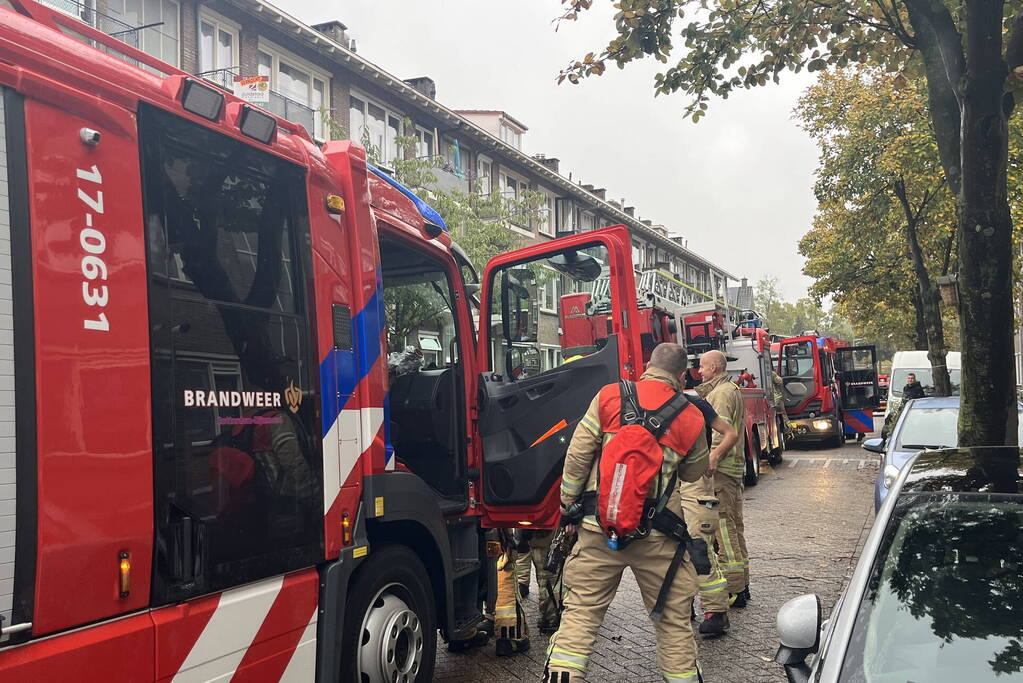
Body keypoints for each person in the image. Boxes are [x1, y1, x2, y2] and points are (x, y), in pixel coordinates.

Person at [545, 343, 710, 683]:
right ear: (682, 376)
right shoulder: (691, 415)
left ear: (647, 366)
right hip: (660, 537)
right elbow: (694, 474)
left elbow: (577, 457)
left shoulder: (608, 397)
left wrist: (568, 506)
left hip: (598, 529)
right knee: (673, 622)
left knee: (580, 616)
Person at [680, 393, 738, 637]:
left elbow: (730, 433)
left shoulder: (694, 403)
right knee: (670, 548)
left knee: (698, 545)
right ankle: (683, 605)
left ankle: (715, 611)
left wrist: (714, 455)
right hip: (665, 483)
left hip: (695, 481)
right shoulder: (648, 403)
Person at [697, 349, 750, 608]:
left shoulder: (721, 394)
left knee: (724, 532)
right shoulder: (730, 389)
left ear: (715, 367)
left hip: (721, 474)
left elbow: (721, 434)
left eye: (703, 366)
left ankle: (733, 589)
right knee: (735, 528)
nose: (699, 371)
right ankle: (742, 585)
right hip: (732, 472)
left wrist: (711, 460)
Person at [515, 530, 564, 634]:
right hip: (544, 532)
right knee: (548, 578)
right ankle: (552, 617)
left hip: (540, 532)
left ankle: (551, 617)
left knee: (547, 578)